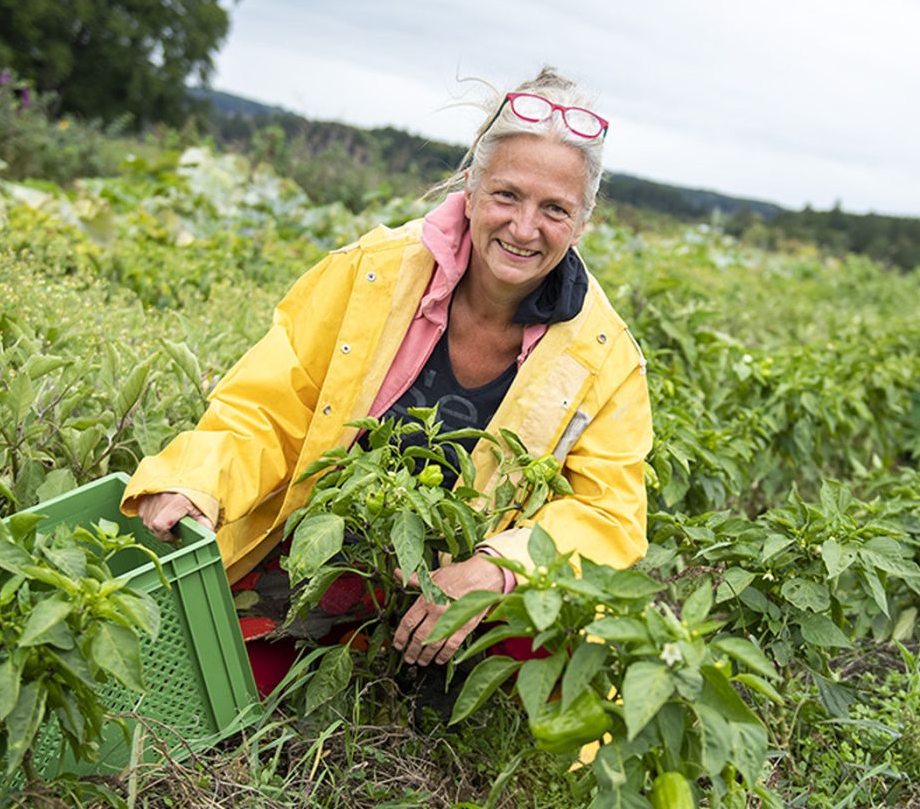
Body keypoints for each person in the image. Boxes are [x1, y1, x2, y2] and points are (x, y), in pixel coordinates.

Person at [120, 68, 653, 683]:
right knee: (219, 677)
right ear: (471, 189)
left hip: (468, 599)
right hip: (327, 556)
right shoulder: (373, 273)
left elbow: (608, 514)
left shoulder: (604, 353)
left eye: (554, 208)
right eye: (507, 195)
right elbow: (269, 406)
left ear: (582, 223)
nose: (524, 227)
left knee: (538, 688)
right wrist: (194, 481)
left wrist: (493, 569)